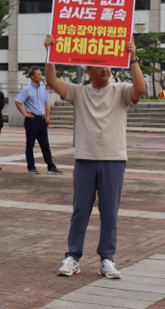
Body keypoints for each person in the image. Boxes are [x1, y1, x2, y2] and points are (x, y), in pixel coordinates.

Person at [43, 34, 146, 280]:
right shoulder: (79, 92)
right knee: (80, 210)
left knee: (110, 212)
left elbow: (140, 89)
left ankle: (107, 259)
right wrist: (50, 53)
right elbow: (52, 80)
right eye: (99, 65)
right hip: (85, 159)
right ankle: (73, 256)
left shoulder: (121, 91)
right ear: (87, 70)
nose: (105, 69)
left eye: (108, 64)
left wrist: (134, 57)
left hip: (114, 160)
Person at [15, 67, 62, 175]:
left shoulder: (43, 88)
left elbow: (46, 102)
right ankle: (31, 167)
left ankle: (51, 166)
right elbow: (18, 101)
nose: (41, 76)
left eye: (41, 74)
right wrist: (25, 113)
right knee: (30, 144)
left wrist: (48, 116)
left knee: (45, 144)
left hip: (41, 119)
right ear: (32, 76)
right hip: (32, 120)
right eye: (38, 74)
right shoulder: (26, 89)